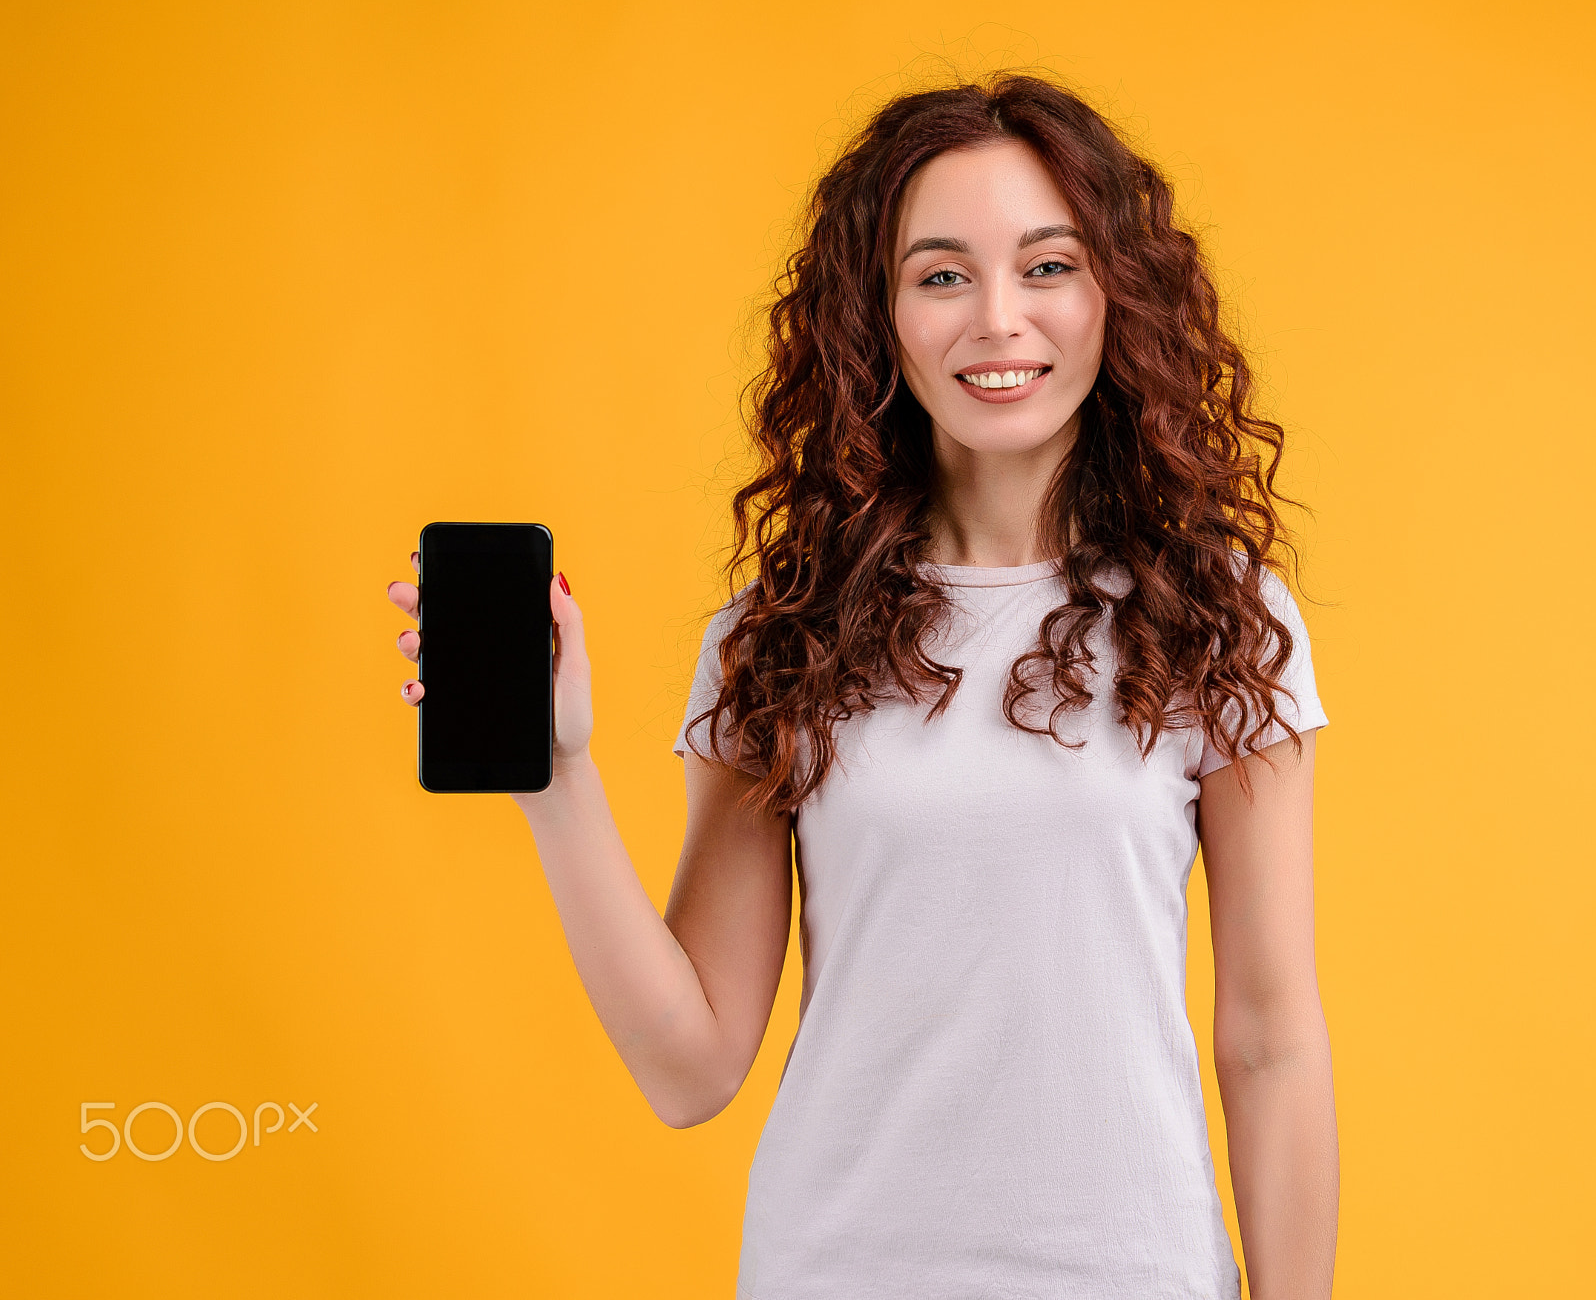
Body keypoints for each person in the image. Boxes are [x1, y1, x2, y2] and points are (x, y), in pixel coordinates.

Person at [387, 73, 1338, 1299]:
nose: (998, 319)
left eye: (1046, 265)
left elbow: (1269, 1040)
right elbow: (690, 1069)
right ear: (876, 316)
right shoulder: (778, 637)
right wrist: (558, 772)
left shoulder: (1217, 615)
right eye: (941, 275)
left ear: (1117, 295)